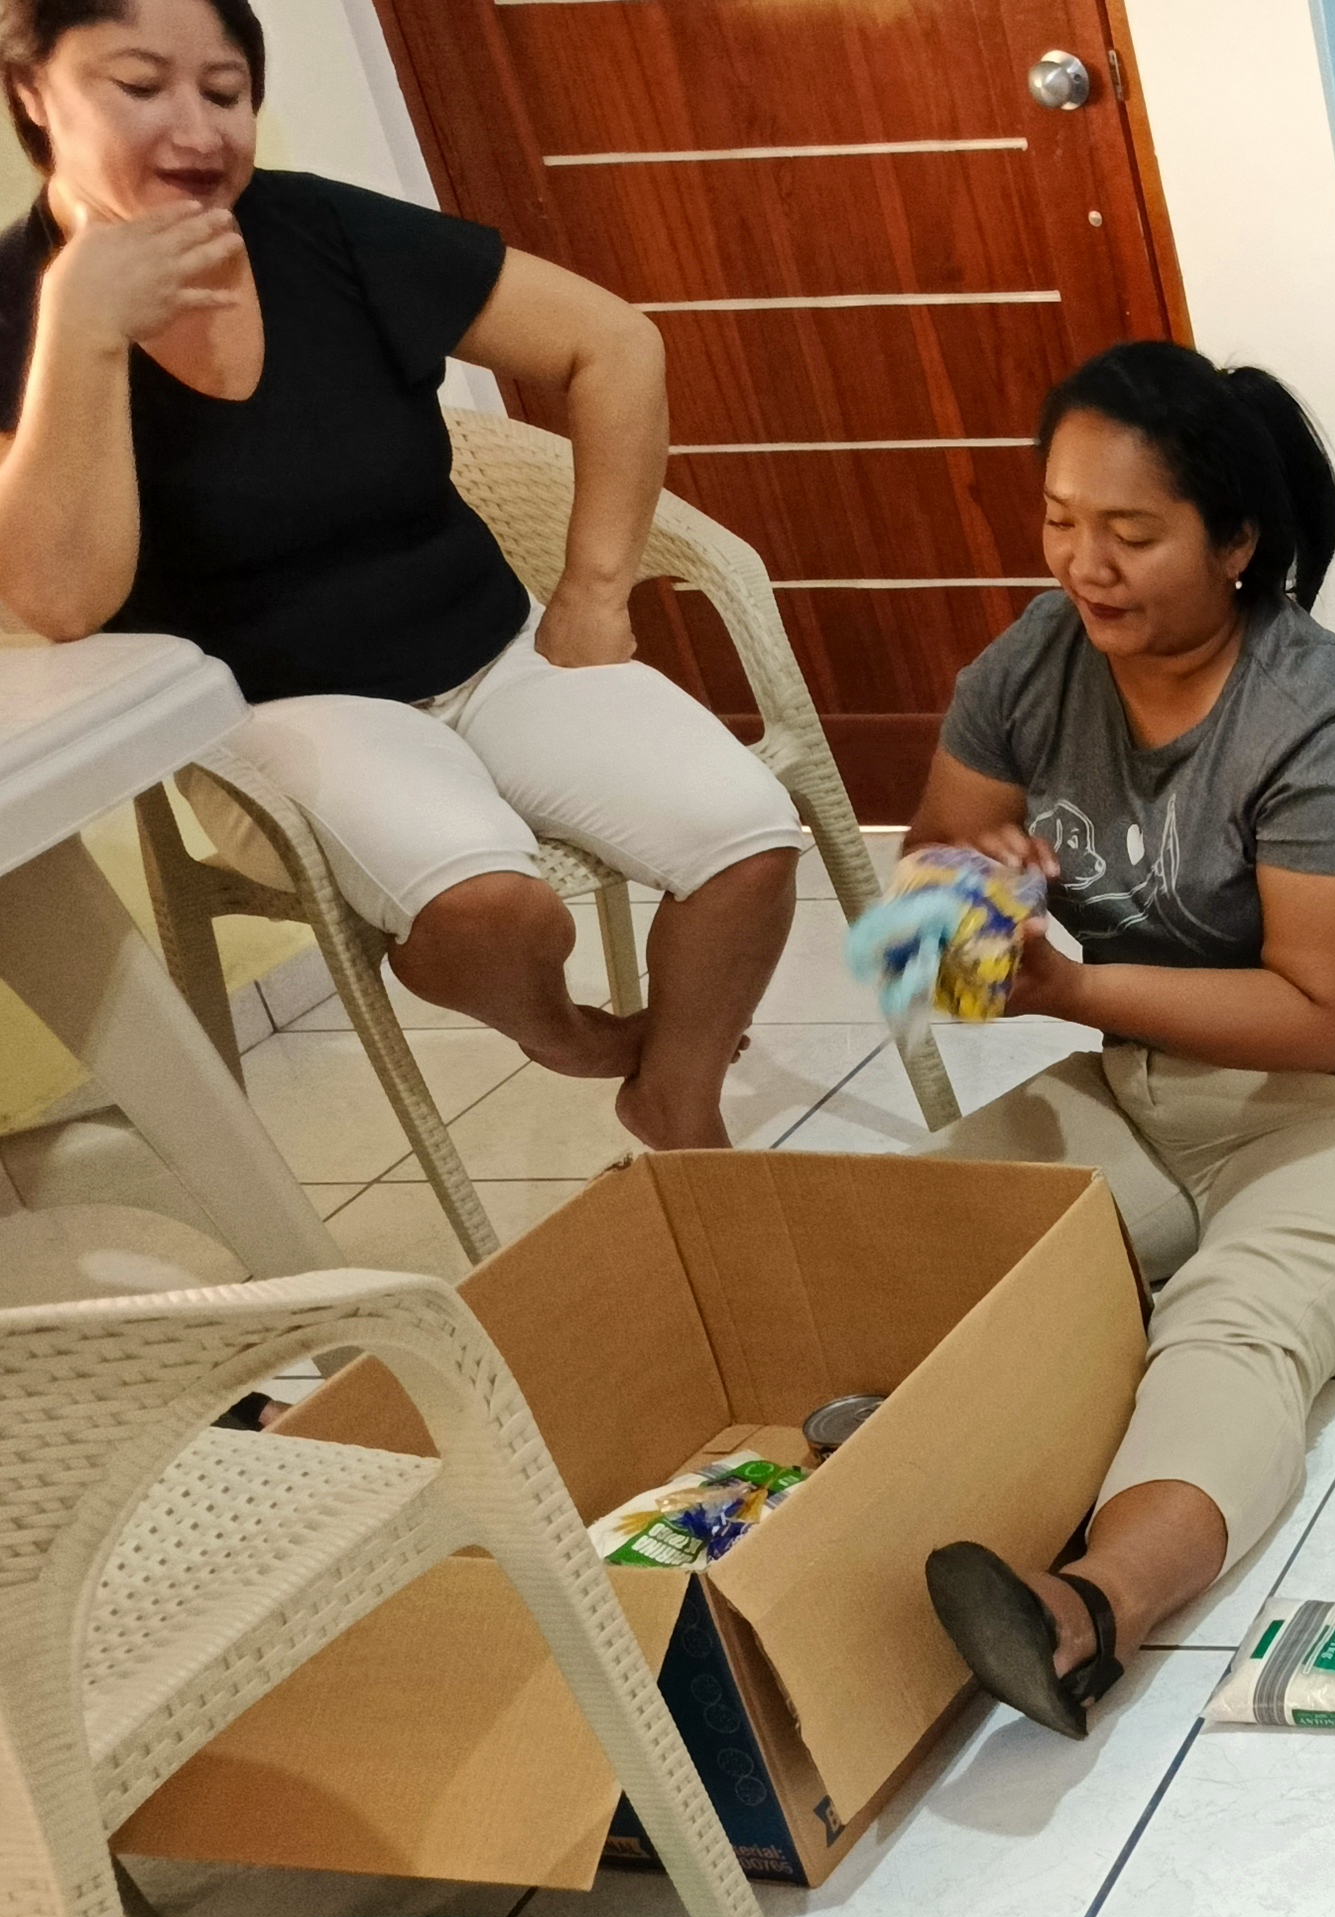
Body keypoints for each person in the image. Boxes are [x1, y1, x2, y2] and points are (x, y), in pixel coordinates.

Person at [0, 0, 802, 1146]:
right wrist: (82, 324)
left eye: (225, 92)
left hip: (490, 645)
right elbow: (64, 600)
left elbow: (615, 343)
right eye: (139, 86)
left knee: (747, 840)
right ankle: (569, 1039)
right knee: (495, 910)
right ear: (33, 91)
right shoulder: (14, 305)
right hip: (264, 710)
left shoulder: (319, 229)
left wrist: (593, 591)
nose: (197, 128)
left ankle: (678, 1103)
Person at [911, 342, 1335, 1736]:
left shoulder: (1330, 723)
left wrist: (1064, 991)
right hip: (1152, 1082)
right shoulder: (1033, 664)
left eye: (1132, 534)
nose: (1086, 566)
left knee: (1238, 1323)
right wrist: (959, 911)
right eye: (1061, 520)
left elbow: (1323, 1015)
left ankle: (1085, 1612)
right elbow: (943, 854)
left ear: (1235, 544)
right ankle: (900, 1476)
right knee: (929, 1226)